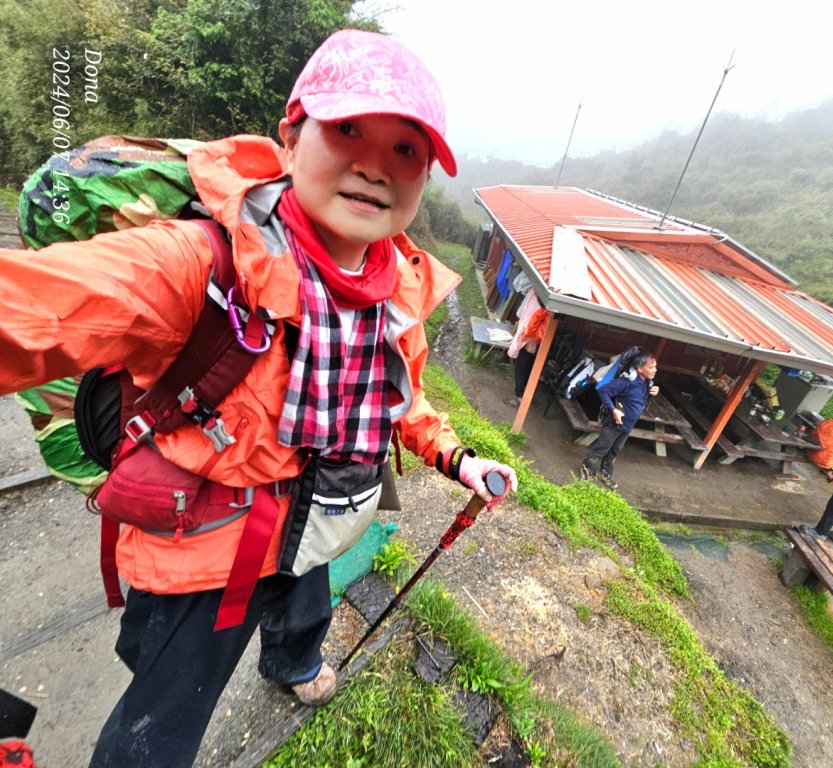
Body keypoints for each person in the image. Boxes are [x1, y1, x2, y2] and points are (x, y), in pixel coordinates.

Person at [0, 29, 517, 768]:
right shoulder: (199, 265)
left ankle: (294, 662)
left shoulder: (398, 288)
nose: (374, 164)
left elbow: (399, 397)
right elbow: (37, 309)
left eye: (406, 149)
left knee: (305, 601)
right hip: (207, 554)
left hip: (320, 510)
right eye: (346, 129)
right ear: (291, 134)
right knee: (158, 726)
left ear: (425, 176)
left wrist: (456, 458)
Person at [579, 352, 659, 490]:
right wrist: (614, 410)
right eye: (651, 367)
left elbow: (639, 400)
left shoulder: (646, 383)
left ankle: (605, 473)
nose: (655, 370)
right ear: (639, 369)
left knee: (615, 450)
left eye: (655, 367)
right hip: (614, 424)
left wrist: (653, 393)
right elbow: (603, 391)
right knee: (601, 448)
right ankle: (586, 469)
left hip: (627, 426)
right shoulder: (626, 382)